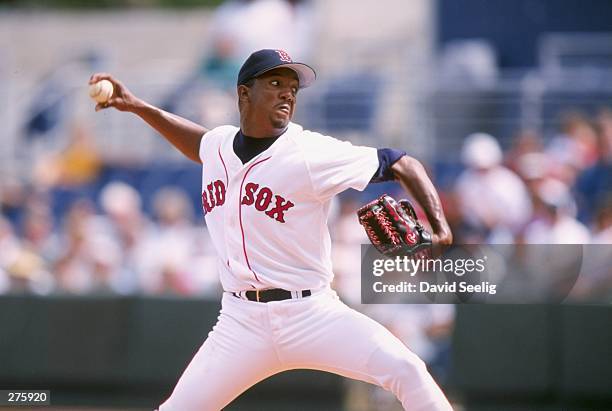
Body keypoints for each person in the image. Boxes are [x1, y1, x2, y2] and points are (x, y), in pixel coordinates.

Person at [90, 49, 453, 411]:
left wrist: (439, 227)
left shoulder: (309, 152)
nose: (288, 93)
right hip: (239, 322)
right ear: (243, 94)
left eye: (294, 87)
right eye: (276, 83)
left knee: (407, 369)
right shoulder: (218, 145)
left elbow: (402, 163)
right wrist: (138, 107)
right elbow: (197, 143)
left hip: (312, 313)